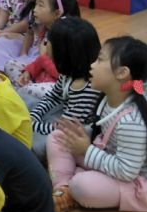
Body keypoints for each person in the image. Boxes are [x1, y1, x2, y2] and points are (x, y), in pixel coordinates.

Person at [46, 36, 147, 212]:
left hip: (139, 184)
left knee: (82, 185)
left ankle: (73, 185)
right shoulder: (108, 99)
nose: (92, 65)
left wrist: (86, 150)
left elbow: (127, 172)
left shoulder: (132, 121)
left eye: (100, 60)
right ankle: (64, 190)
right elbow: (105, 136)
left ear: (122, 73)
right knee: (58, 137)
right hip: (111, 158)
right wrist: (81, 136)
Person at [26, 17, 102, 159]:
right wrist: (34, 116)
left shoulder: (86, 88)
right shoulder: (69, 72)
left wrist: (32, 125)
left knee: (39, 145)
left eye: (49, 41)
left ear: (63, 52)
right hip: (67, 116)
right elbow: (54, 96)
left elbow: (66, 129)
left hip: (78, 130)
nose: (46, 44)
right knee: (25, 100)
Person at [5, 0, 80, 82]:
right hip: (41, 77)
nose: (34, 10)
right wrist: (29, 72)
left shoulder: (64, 38)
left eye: (40, 5)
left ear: (57, 13)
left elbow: (62, 76)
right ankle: (24, 87)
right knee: (10, 65)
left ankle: (24, 88)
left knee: (28, 87)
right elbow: (39, 62)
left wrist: (43, 58)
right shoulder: (46, 31)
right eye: (36, 4)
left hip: (56, 84)